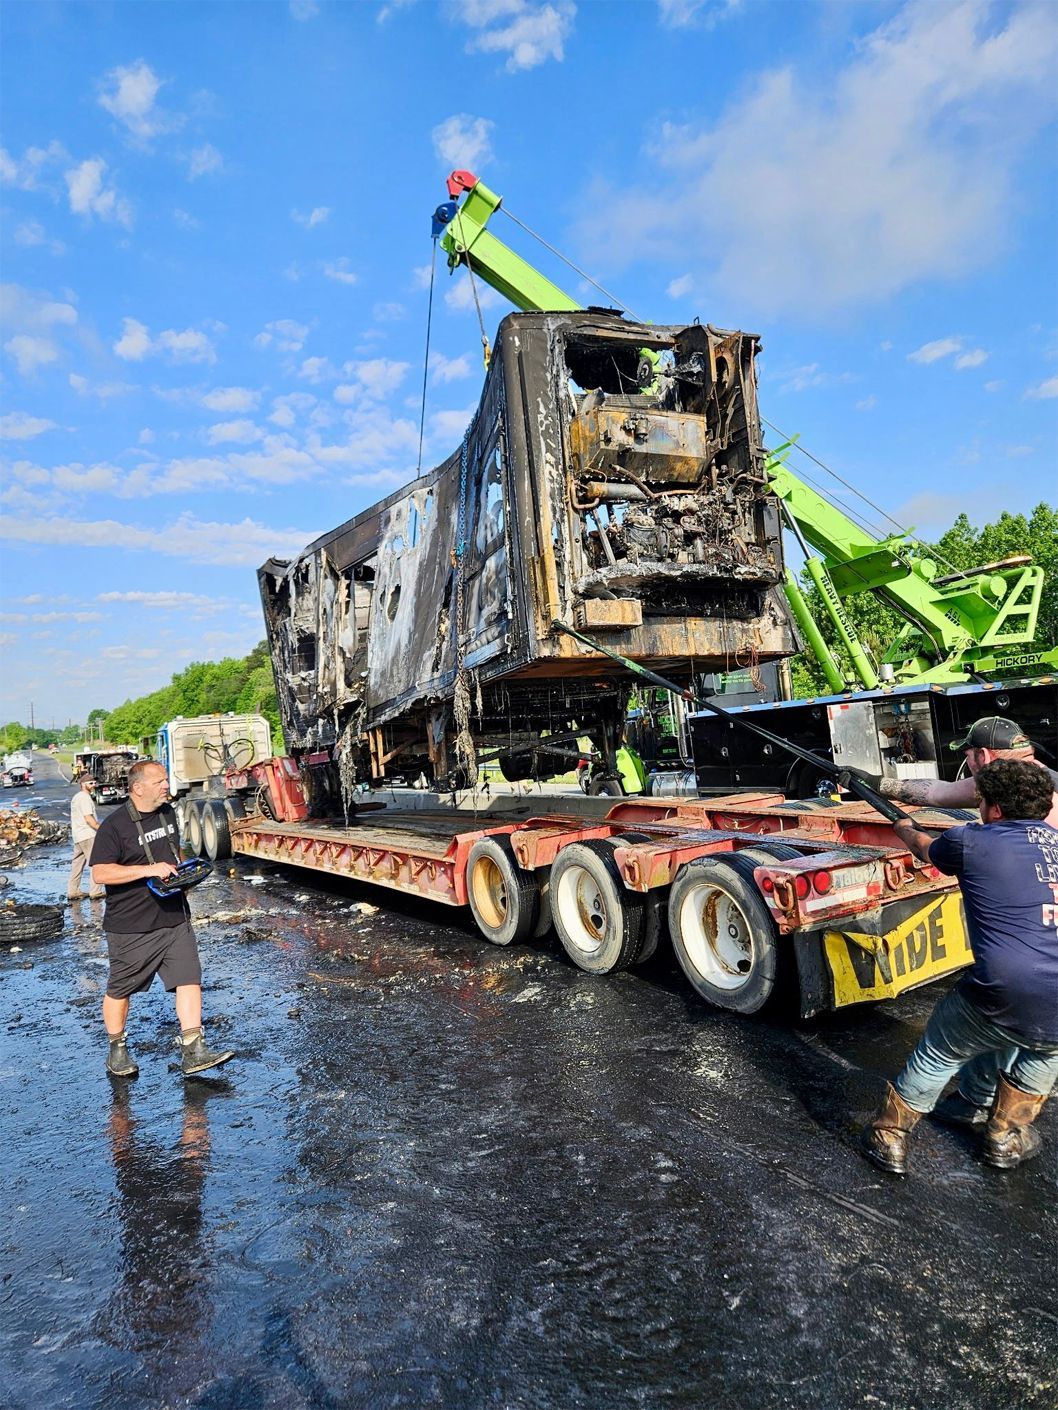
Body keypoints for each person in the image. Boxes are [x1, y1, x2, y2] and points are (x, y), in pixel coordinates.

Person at [859, 759, 1058, 1175]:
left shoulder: (973, 840)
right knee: (1042, 1049)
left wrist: (904, 826)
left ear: (996, 809)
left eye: (982, 801)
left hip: (1003, 988)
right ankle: (1003, 1138)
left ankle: (889, 1136)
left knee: (941, 1052)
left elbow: (924, 848)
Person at [90, 758, 234, 1080]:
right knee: (120, 988)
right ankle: (117, 1050)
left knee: (189, 978)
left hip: (175, 917)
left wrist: (186, 877)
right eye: (159, 782)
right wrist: (148, 870)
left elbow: (174, 855)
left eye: (166, 780)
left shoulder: (169, 813)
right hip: (132, 926)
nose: (166, 786)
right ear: (138, 788)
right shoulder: (114, 826)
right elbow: (100, 872)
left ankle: (194, 1049)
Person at [870, 715, 1058, 825]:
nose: (967, 762)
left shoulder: (1045, 799)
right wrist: (871, 782)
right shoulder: (1006, 779)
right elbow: (937, 793)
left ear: (983, 756)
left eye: (967, 755)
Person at [68, 774, 105, 900]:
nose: (93, 785)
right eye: (90, 783)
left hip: (78, 836)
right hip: (88, 835)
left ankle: (73, 891)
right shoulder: (84, 798)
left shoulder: (76, 797)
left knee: (77, 864)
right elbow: (89, 819)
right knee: (97, 862)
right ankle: (95, 891)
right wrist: (102, 829)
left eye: (94, 783)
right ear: (83, 784)